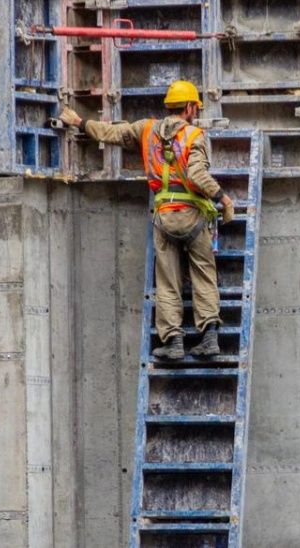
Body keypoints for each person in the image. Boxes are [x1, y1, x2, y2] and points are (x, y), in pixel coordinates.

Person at [58, 80, 235, 361]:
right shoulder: (194, 135)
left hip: (164, 216)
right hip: (193, 217)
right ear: (189, 108)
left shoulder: (147, 129)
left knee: (167, 282)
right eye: (195, 108)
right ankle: (209, 339)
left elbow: (112, 133)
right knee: (204, 275)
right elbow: (197, 176)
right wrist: (224, 200)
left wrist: (80, 122)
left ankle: (174, 342)